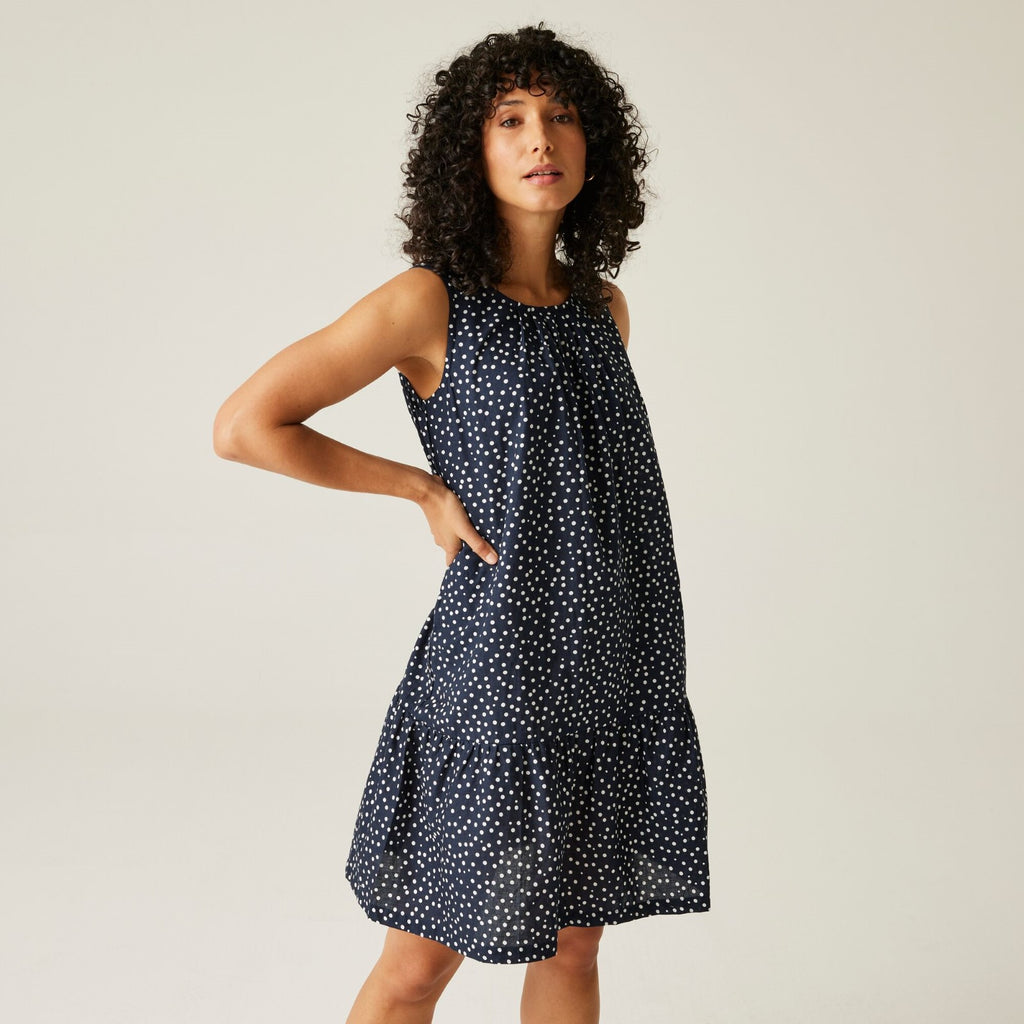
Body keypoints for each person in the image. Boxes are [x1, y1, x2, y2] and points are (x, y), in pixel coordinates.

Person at [213, 23, 710, 1024]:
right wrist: (418, 488)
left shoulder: (602, 309)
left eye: (561, 117)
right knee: (420, 963)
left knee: (575, 944)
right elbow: (245, 426)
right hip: (498, 672)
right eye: (510, 120)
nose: (541, 139)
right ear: (469, 150)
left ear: (594, 145)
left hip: (613, 661)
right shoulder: (428, 301)